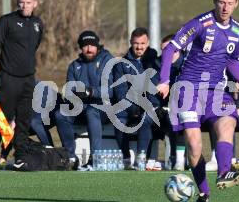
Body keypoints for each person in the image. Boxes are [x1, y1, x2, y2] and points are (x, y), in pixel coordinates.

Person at [157, 0, 239, 202]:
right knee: (195, 147)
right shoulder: (200, 24)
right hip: (188, 91)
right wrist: (164, 80)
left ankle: (224, 173)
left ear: (236, 3)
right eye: (221, 2)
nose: (225, 7)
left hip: (216, 91)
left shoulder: (237, 30)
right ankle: (203, 192)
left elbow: (233, 62)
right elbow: (171, 48)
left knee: (228, 122)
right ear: (214, 1)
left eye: (230, 3)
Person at [0, 0, 43, 170]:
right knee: (4, 118)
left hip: (28, 80)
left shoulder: (37, 24)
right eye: (21, 2)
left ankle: (19, 158)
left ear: (35, 3)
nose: (24, 5)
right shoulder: (7, 21)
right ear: (17, 3)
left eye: (28, 2)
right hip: (8, 78)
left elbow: (34, 47)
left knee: (24, 120)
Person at [55, 30, 114, 169]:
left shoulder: (107, 61)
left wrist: (90, 92)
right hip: (81, 107)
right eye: (85, 45)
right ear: (81, 47)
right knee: (61, 114)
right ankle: (70, 157)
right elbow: (69, 90)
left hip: (103, 109)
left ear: (97, 46)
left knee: (92, 111)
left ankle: (96, 158)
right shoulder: (74, 66)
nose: (89, 49)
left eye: (92, 45)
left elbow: (110, 91)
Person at [113, 27, 159, 169]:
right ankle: (126, 158)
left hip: (151, 104)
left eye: (142, 43)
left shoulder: (155, 61)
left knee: (148, 116)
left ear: (148, 43)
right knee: (118, 118)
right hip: (129, 103)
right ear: (131, 42)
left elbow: (156, 87)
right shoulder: (121, 64)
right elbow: (120, 91)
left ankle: (141, 156)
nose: (139, 47)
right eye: (136, 43)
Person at [154, 34, 187, 171]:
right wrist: (156, 106)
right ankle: (149, 160)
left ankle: (181, 159)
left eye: (169, 50)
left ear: (178, 50)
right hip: (162, 108)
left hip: (185, 106)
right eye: (163, 51)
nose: (166, 54)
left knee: (179, 117)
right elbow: (151, 89)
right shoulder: (156, 65)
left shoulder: (187, 64)